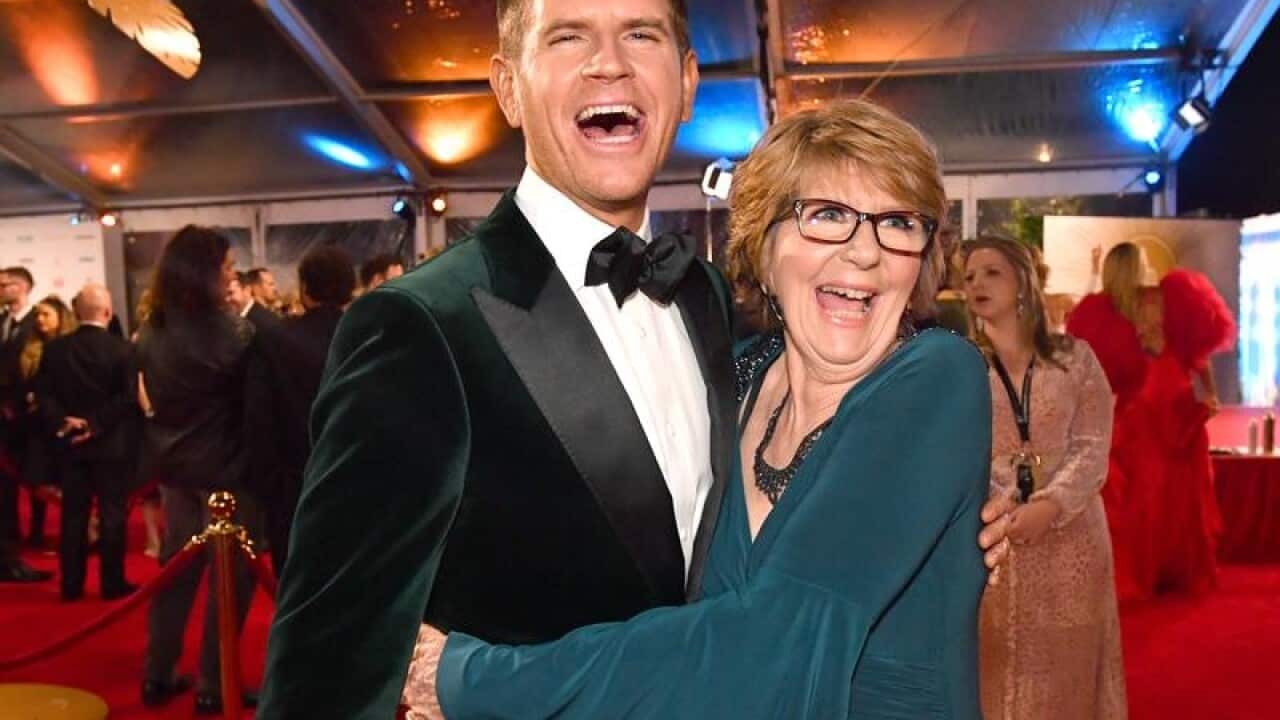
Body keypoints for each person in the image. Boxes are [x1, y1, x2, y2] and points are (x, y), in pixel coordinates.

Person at [260, 3, 1011, 717]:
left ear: (686, 82)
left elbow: (777, 621)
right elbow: (329, 655)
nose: (610, 64)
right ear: (507, 87)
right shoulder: (421, 326)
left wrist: (465, 678)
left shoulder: (706, 307)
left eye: (642, 35)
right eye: (568, 37)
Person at [398, 96, 991, 719]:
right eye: (827, 214)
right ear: (764, 248)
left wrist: (472, 679)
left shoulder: (937, 379)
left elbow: (774, 640)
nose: (865, 252)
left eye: (898, 223)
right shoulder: (727, 382)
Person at [961, 237, 1127, 719]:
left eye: (991, 272)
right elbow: (954, 451)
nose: (976, 284)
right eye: (969, 277)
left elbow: (1093, 443)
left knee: (1068, 667)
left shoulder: (1076, 358)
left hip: (1073, 537)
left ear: (1022, 283)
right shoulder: (961, 366)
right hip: (994, 535)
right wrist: (1003, 502)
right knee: (994, 669)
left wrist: (1050, 505)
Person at [136, 226, 264, 714]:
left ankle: (157, 671)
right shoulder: (234, 333)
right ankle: (215, 682)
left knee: (175, 578)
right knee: (230, 585)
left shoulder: (152, 330)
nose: (232, 275)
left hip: (175, 469)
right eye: (226, 266)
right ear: (205, 271)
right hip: (227, 475)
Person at [1068, 243, 1234, 600]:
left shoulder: (1098, 311)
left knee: (1141, 489)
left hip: (1138, 405)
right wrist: (1209, 392)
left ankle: (1143, 570)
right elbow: (1196, 353)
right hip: (1169, 392)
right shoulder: (1164, 298)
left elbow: (1088, 371)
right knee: (1181, 487)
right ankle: (1176, 568)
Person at [246, 245, 355, 576]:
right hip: (358, 483)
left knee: (297, 585)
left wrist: (267, 489)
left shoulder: (273, 341)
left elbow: (259, 422)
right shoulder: (370, 337)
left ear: (304, 288)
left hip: (294, 487)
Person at [34, 284, 140, 602]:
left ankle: (71, 584)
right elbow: (127, 397)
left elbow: (44, 394)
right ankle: (112, 582)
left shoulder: (55, 350)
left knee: (73, 516)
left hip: (70, 445)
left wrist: (66, 422)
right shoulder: (123, 350)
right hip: (111, 445)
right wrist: (94, 424)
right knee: (112, 515)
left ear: (76, 312)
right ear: (108, 312)